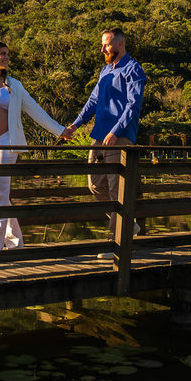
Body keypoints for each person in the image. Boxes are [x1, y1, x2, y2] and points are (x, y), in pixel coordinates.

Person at [0, 41, 67, 251]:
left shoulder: (14, 86)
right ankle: (15, 242)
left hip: (6, 142)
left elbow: (35, 110)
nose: (7, 57)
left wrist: (60, 131)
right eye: (2, 53)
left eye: (8, 54)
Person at [60, 28, 147, 238]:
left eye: (106, 44)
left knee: (117, 187)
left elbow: (133, 105)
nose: (102, 49)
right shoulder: (105, 71)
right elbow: (93, 101)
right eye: (102, 45)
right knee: (95, 184)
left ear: (120, 44)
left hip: (120, 137)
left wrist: (116, 131)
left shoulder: (133, 69)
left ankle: (116, 240)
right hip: (99, 136)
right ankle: (127, 224)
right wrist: (74, 126)